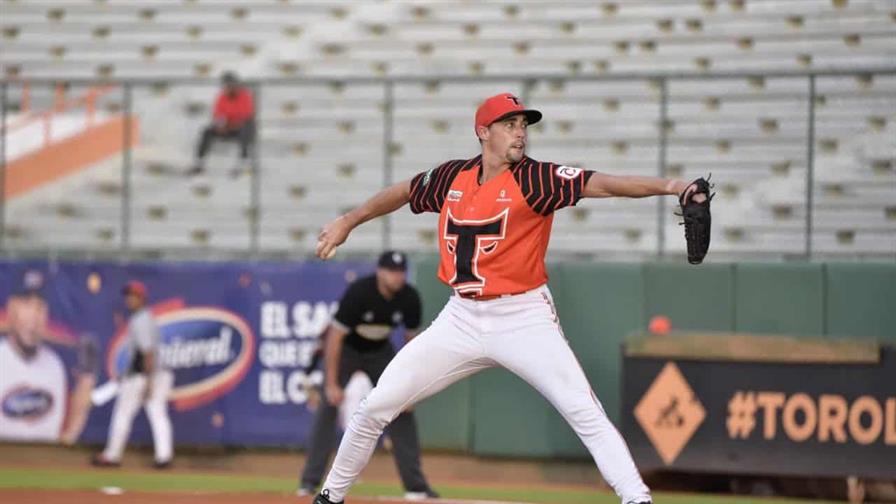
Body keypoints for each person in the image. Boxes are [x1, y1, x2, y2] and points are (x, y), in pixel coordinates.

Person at [312, 92, 709, 504]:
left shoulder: (536, 179)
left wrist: (673, 186)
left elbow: (603, 184)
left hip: (523, 315)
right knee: (375, 406)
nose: (520, 133)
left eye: (523, 125)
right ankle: (330, 497)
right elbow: (405, 191)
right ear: (483, 132)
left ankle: (637, 499)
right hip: (461, 317)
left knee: (583, 410)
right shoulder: (452, 177)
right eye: (509, 125)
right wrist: (349, 220)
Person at [298, 251, 438, 500]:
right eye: (392, 271)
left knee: (401, 409)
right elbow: (334, 338)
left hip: (380, 351)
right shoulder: (360, 292)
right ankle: (309, 482)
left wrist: (411, 389)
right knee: (328, 406)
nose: (397, 276)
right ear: (380, 272)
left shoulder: (409, 297)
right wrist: (331, 383)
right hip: (348, 351)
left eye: (401, 272)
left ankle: (415, 486)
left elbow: (413, 343)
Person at [0, 270, 95, 444]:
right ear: (11, 309)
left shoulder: (55, 365)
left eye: (40, 306)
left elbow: (66, 437)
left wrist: (87, 381)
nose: (33, 316)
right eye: (26, 304)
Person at [92, 281, 174, 468]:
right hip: (156, 373)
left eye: (134, 296)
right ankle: (164, 456)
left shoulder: (141, 320)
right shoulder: (146, 317)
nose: (129, 300)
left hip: (145, 375)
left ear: (142, 298)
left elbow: (147, 352)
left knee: (123, 414)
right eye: (128, 296)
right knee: (158, 414)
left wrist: (148, 381)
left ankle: (112, 455)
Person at [188, 71, 256, 177]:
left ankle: (242, 164)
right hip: (227, 127)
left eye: (230, 85)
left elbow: (246, 113)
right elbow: (217, 113)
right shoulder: (222, 96)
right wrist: (220, 125)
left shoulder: (245, 95)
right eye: (226, 85)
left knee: (246, 128)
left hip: (242, 127)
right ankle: (199, 164)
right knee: (207, 131)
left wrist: (232, 124)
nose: (228, 87)